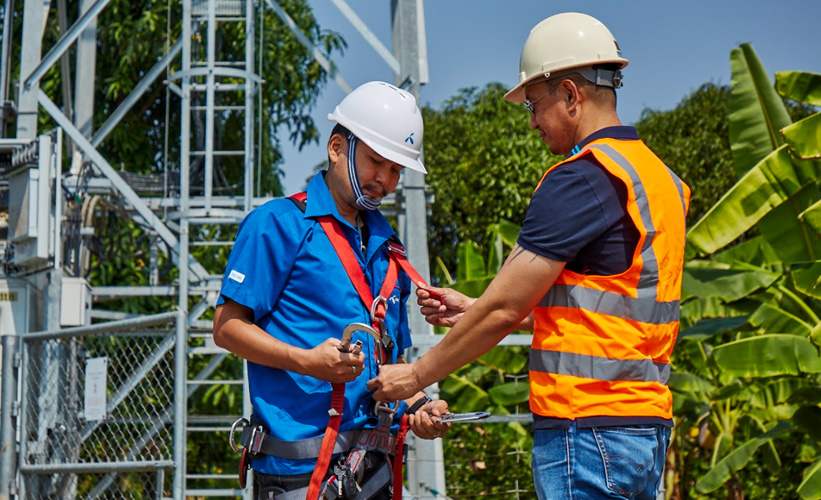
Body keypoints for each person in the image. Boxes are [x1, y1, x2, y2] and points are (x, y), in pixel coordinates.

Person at [368, 13, 690, 500]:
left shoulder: (581, 178)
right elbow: (603, 310)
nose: (535, 121)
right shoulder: (660, 180)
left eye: (534, 105)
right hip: (642, 431)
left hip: (586, 434)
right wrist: (472, 308)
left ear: (569, 94)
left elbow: (505, 310)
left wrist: (416, 375)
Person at [214, 81, 450, 500]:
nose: (386, 181)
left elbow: (388, 367)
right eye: (378, 162)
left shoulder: (387, 247)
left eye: (397, 169)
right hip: (300, 473)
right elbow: (227, 327)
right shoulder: (280, 223)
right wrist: (305, 360)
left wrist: (418, 405)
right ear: (337, 147)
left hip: (374, 470)